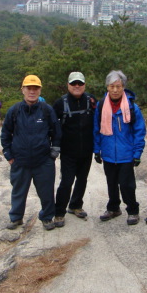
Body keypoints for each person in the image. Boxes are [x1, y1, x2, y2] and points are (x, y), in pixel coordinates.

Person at [1, 75, 62, 231]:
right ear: (23, 90)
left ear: (40, 90)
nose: (32, 91)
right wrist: (9, 155)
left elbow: (56, 133)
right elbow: (5, 134)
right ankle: (16, 217)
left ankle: (47, 217)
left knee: (46, 192)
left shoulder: (47, 110)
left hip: (43, 161)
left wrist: (53, 153)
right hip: (20, 161)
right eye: (29, 88)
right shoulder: (14, 110)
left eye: (36, 88)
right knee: (18, 192)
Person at [93, 70, 146, 225]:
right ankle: (113, 208)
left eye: (118, 86)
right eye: (112, 86)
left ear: (123, 87)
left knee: (127, 184)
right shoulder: (101, 106)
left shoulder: (132, 107)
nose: (115, 90)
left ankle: (133, 210)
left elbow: (139, 131)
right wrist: (96, 150)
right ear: (107, 87)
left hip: (126, 153)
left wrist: (137, 153)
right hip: (108, 152)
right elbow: (96, 129)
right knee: (111, 183)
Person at [52, 71, 97, 227]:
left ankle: (76, 205)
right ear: (68, 85)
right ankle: (59, 212)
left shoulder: (91, 100)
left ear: (84, 85)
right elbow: (52, 126)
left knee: (82, 180)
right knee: (66, 182)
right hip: (68, 152)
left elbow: (99, 121)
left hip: (87, 150)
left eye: (80, 83)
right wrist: (54, 145)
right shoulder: (60, 103)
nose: (77, 86)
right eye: (73, 83)